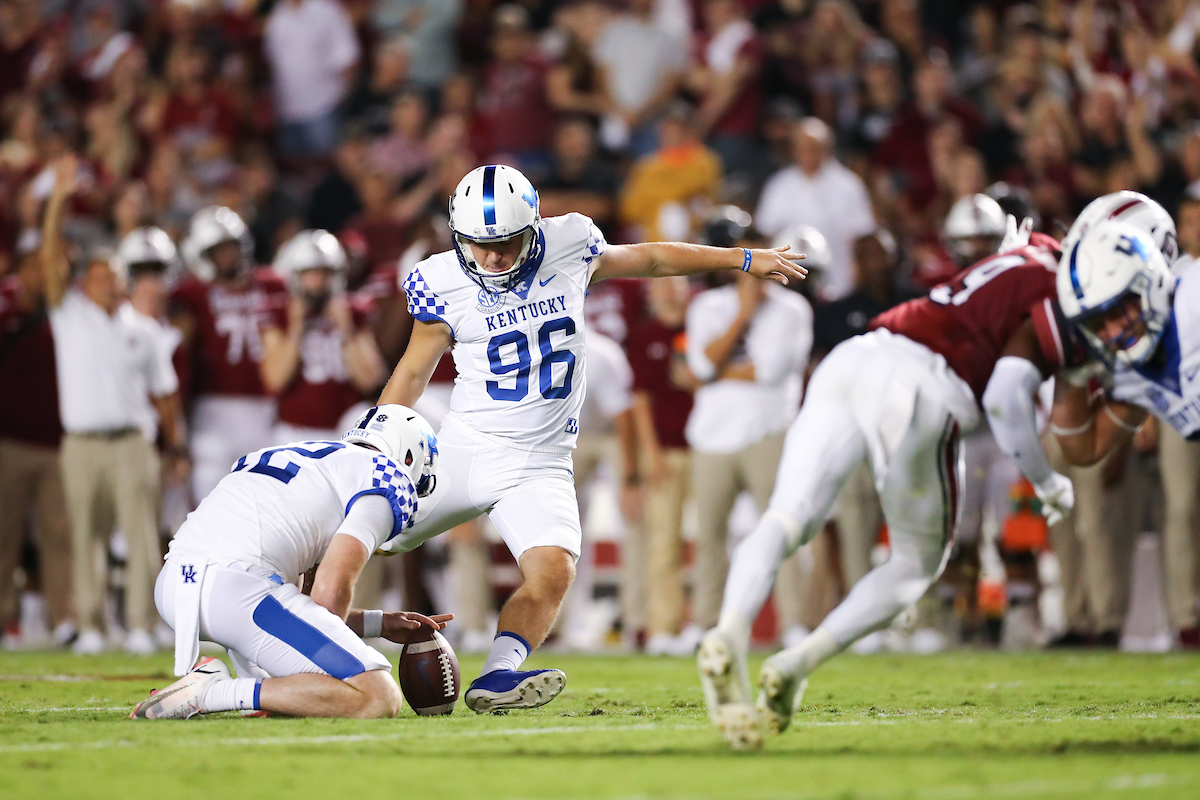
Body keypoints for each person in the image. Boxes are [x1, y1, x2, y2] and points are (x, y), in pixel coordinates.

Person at [379, 164, 805, 712]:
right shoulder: (441, 280)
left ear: (533, 225)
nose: (492, 258)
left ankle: (498, 676)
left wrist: (740, 258)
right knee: (362, 530)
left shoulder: (570, 243)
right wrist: (379, 438)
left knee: (553, 571)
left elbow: (651, 259)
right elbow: (414, 370)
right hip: (469, 446)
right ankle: (298, 645)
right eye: (479, 244)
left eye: (505, 243)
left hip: (543, 461)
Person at [697, 220, 1079, 749]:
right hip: (921, 382)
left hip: (857, 355)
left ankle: (729, 630)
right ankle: (797, 662)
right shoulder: (1061, 286)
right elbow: (1006, 397)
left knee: (786, 517)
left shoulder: (1030, 256)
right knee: (916, 561)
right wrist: (1047, 481)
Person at [130, 405, 450, 720]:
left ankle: (243, 691)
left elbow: (300, 606)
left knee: (299, 693)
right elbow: (330, 590)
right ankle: (211, 692)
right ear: (410, 459)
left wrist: (377, 624)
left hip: (176, 585)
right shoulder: (384, 477)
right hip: (239, 590)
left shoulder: (298, 456)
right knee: (377, 695)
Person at [40, 155, 186, 656]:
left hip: (131, 442)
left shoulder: (143, 330)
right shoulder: (69, 314)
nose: (105, 282)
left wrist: (175, 446)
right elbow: (49, 258)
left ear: (122, 281)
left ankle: (141, 625)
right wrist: (59, 200)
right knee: (84, 535)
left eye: (113, 276)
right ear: (85, 281)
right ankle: (91, 625)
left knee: (141, 535)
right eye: (98, 275)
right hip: (81, 442)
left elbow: (165, 392)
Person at [685, 215, 814, 652]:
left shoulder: (793, 309)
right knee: (709, 538)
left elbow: (771, 371)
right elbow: (700, 366)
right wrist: (743, 314)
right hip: (711, 436)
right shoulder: (707, 306)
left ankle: (793, 623)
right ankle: (706, 625)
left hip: (769, 432)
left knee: (783, 531)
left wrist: (715, 372)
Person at [172, 206, 289, 504]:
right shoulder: (191, 294)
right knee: (209, 491)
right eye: (218, 250)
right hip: (212, 404)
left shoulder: (272, 284)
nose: (227, 256)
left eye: (231, 247)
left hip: (263, 404)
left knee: (266, 495)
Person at [260, 230, 386, 442]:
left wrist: (346, 329)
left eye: (324, 273)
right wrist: (296, 329)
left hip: (345, 430)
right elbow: (275, 381)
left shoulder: (353, 313)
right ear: (294, 276)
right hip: (294, 431)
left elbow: (371, 381)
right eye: (310, 274)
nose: (318, 282)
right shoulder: (280, 315)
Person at [755, 118, 876, 300]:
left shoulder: (849, 186)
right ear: (794, 150)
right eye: (803, 148)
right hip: (789, 289)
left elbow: (863, 236)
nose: (809, 154)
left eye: (815, 148)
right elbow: (764, 234)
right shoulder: (778, 186)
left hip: (840, 285)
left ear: (828, 149)